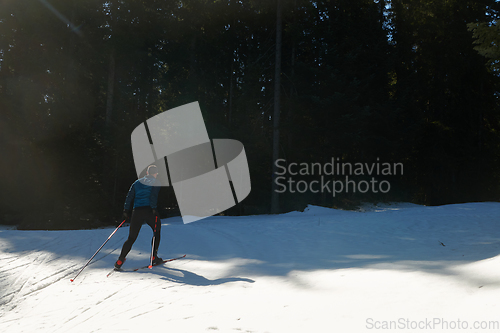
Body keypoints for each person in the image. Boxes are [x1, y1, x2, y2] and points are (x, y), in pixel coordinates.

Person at [115, 165, 162, 269]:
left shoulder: (137, 182)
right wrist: (154, 208)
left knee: (131, 237)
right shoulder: (156, 182)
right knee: (156, 231)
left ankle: (120, 260)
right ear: (155, 174)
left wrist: (126, 210)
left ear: (147, 173)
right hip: (149, 210)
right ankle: (154, 257)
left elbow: (129, 196)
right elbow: (153, 195)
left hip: (137, 211)